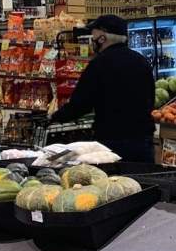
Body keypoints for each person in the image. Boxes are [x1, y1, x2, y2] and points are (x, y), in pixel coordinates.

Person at [50, 15, 156, 161]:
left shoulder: (98, 65)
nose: (92, 41)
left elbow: (81, 104)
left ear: (102, 38)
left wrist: (55, 118)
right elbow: (151, 98)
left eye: (93, 36)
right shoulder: (141, 61)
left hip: (111, 143)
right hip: (142, 142)